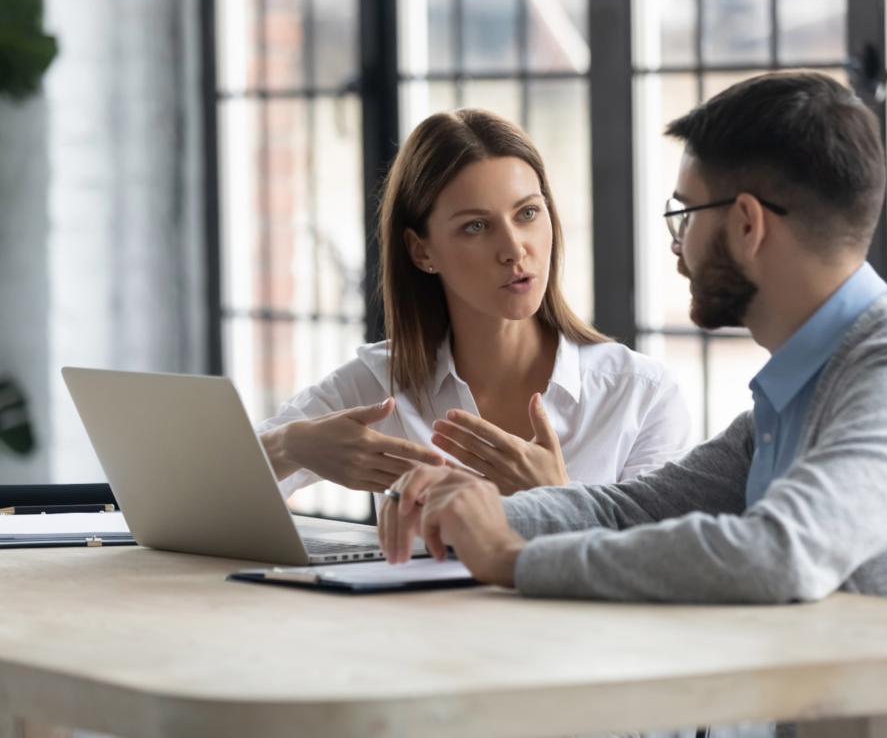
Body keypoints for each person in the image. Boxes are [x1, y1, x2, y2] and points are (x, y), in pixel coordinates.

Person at [379, 73, 887, 738]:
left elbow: (778, 553)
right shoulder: (809, 384)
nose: (676, 245)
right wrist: (470, 512)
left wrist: (513, 559)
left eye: (684, 214)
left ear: (747, 223)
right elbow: (629, 507)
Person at [256, 108, 692, 508]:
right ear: (421, 250)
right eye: (476, 226)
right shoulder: (382, 385)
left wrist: (556, 498)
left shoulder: (640, 395)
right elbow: (200, 487)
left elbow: (658, 567)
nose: (513, 248)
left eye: (527, 214)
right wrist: (291, 448)